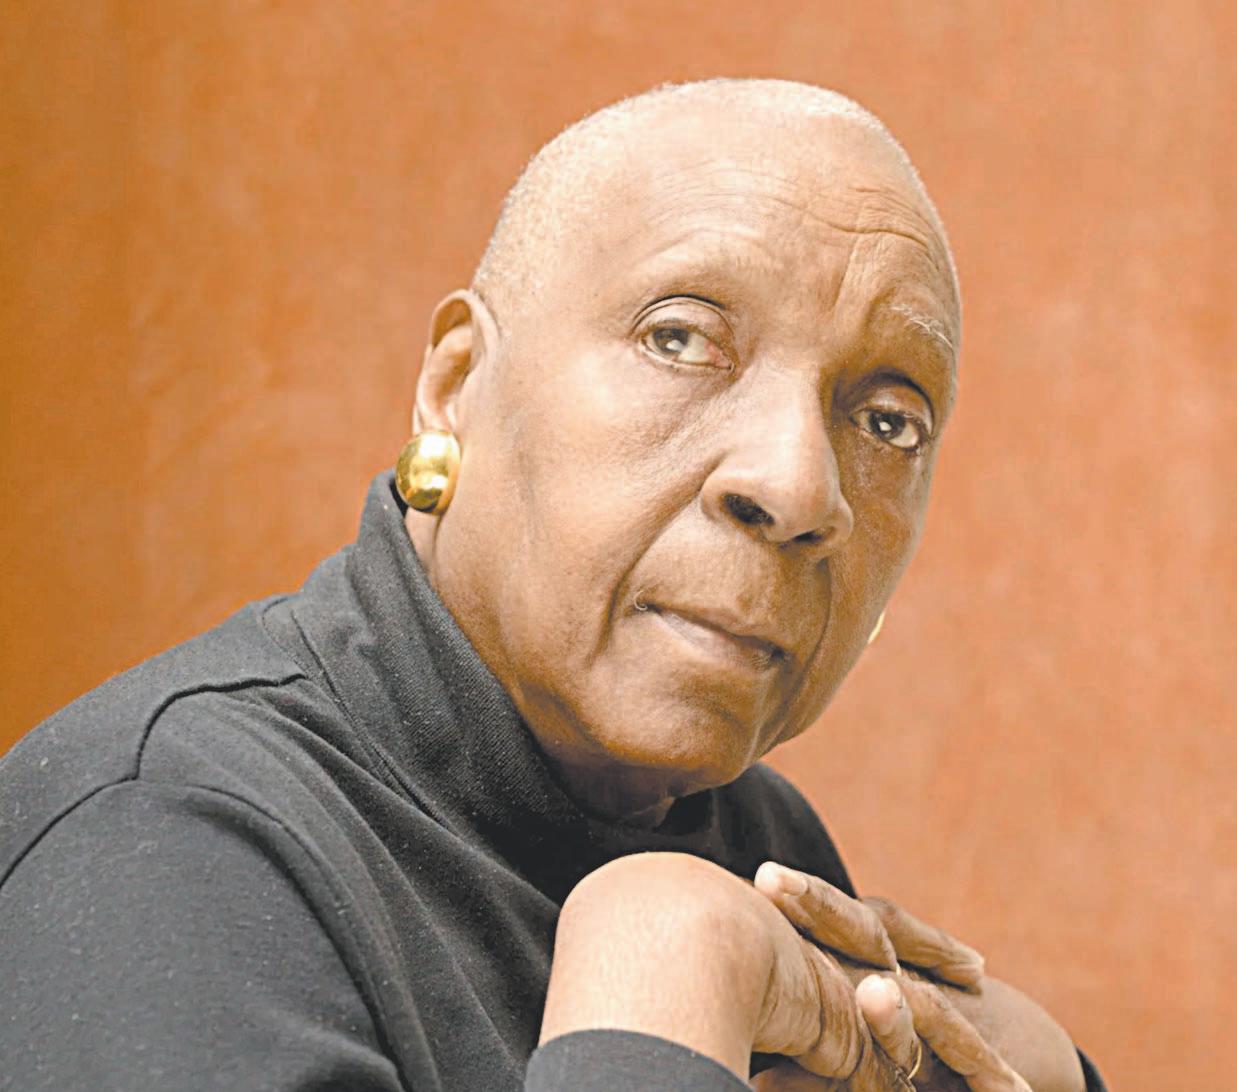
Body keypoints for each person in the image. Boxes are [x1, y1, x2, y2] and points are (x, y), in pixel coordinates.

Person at [0, 79, 1106, 1091]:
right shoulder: (156, 847)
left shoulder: (753, 838)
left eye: (887, 421)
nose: (798, 485)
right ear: (455, 386)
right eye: (680, 339)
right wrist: (664, 971)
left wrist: (1055, 1077)